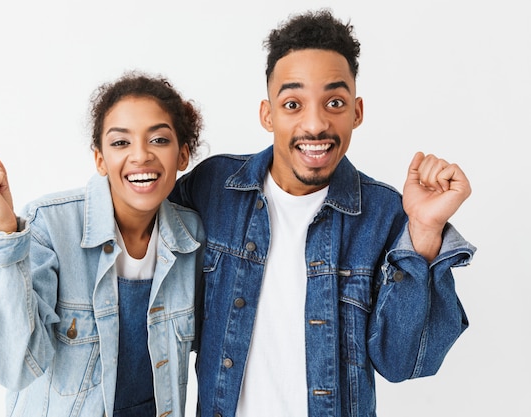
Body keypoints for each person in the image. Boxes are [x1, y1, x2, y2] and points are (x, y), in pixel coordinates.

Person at [169, 9, 476, 417]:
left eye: (334, 102)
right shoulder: (213, 188)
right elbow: (141, 257)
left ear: (357, 111)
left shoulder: (386, 215)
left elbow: (403, 363)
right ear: (267, 114)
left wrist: (424, 229)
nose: (315, 125)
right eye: (293, 103)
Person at [0, 72, 205, 417]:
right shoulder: (51, 226)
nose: (141, 155)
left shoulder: (193, 241)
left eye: (159, 140)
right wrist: (4, 233)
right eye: (120, 143)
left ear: (183, 155)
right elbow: (15, 365)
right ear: (100, 159)